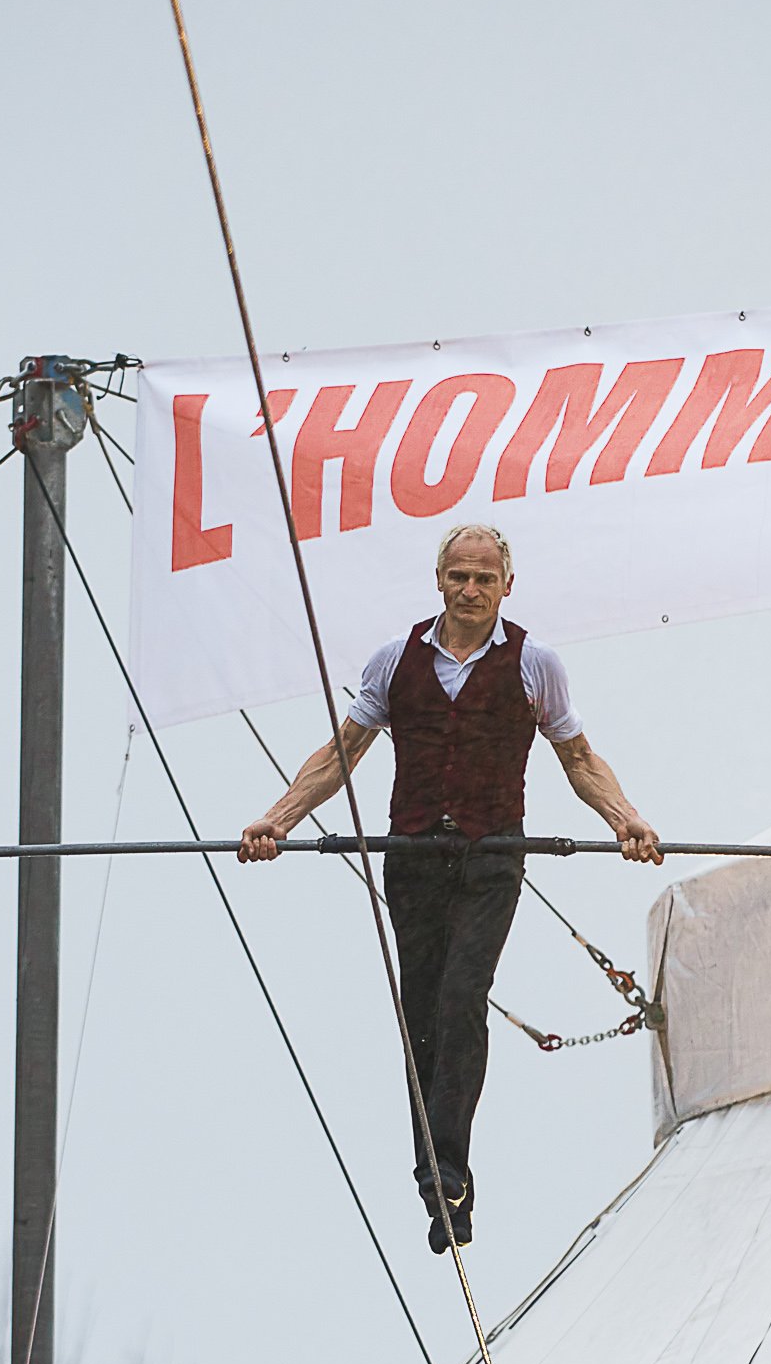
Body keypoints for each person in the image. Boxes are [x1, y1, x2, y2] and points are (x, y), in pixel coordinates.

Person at [240, 525, 660, 1251]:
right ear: (439, 579)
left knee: (463, 995)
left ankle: (450, 1167)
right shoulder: (392, 661)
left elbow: (580, 758)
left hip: (491, 858)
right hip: (413, 860)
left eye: (484, 579)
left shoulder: (535, 664)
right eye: (458, 576)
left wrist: (627, 820)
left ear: (507, 586)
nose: (470, 590)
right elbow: (343, 753)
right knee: (422, 1013)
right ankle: (440, 1185)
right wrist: (275, 821)